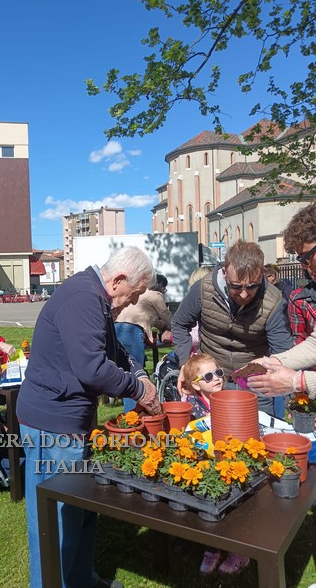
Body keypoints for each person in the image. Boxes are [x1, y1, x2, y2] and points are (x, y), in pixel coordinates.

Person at [16, 246, 162, 588]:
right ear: (119, 280)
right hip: (51, 423)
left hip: (69, 421)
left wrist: (138, 373)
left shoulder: (94, 296)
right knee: (54, 519)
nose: (131, 303)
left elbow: (113, 351)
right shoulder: (84, 297)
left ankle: (80, 580)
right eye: (134, 294)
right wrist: (139, 391)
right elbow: (92, 369)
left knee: (81, 509)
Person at [171, 241, 293, 416]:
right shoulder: (203, 289)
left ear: (262, 275)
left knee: (257, 437)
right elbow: (179, 323)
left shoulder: (274, 301)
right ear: (224, 273)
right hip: (213, 380)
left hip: (255, 384)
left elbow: (282, 351)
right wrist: (184, 363)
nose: (243, 294)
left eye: (252, 286)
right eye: (236, 286)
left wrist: (291, 397)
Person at [181, 353, 250, 575]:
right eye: (209, 376)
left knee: (237, 507)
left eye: (218, 373)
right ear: (196, 385)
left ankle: (239, 551)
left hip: (232, 461)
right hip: (206, 464)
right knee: (211, 508)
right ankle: (213, 548)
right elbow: (190, 435)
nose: (217, 378)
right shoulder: (193, 407)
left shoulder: (230, 398)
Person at [115, 273, 172, 412]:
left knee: (123, 371)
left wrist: (162, 327)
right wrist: (176, 329)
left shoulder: (141, 295)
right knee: (134, 373)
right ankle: (132, 413)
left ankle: (130, 411)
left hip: (116, 329)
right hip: (132, 333)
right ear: (161, 287)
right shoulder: (155, 295)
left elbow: (153, 319)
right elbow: (167, 317)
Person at [280, 204, 316, 346]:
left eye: (306, 256)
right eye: (300, 258)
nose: (303, 265)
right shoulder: (300, 299)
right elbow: (301, 345)